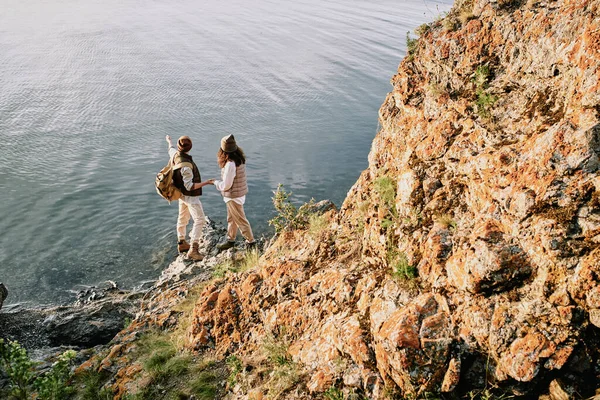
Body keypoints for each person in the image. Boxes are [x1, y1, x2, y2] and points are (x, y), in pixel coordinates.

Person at [165, 135, 214, 260]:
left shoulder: (175, 154)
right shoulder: (186, 166)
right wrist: (206, 182)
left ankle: (181, 242)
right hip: (189, 197)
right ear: (190, 148)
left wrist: (169, 141)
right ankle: (193, 249)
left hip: (180, 195)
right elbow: (189, 186)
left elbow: (170, 149)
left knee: (183, 217)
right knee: (200, 220)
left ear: (178, 146)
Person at [213, 134, 256, 250]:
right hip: (238, 194)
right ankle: (230, 240)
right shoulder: (239, 159)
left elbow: (226, 185)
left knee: (241, 220)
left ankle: (251, 242)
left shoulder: (230, 164)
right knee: (231, 219)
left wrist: (215, 183)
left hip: (233, 196)